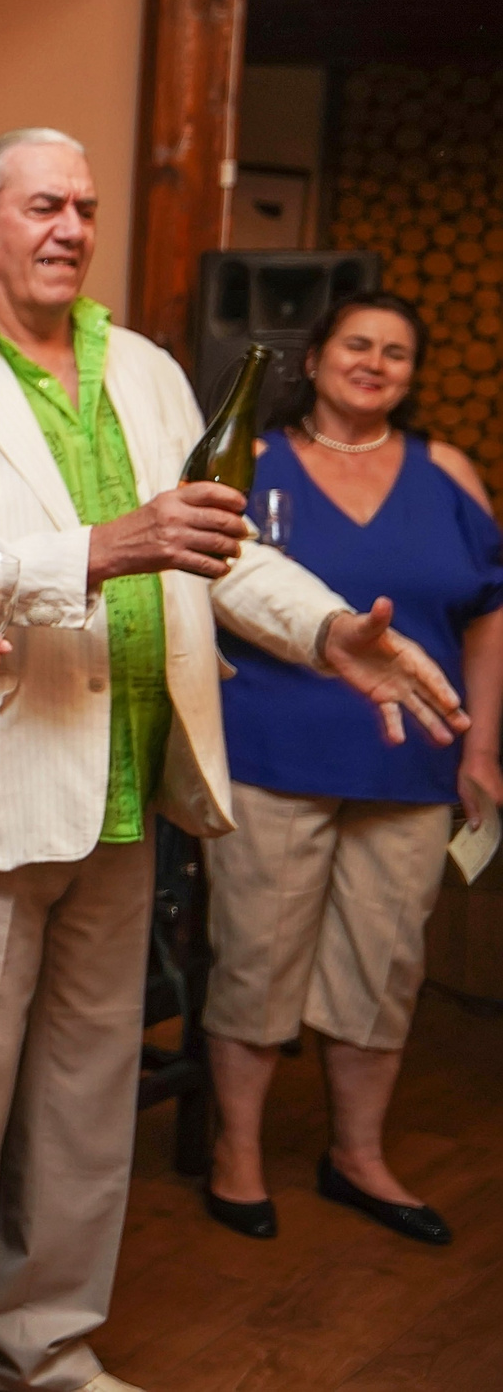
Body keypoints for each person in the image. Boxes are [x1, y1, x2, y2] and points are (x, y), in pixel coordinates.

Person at [0, 128, 466, 1392]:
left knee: (82, 1107)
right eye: (40, 206)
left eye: (83, 205)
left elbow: (216, 547)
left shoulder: (146, 370)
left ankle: (44, 1344)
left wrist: (331, 629)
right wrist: (92, 547)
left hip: (130, 789)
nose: (70, 226)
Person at [202, 291, 503, 1245]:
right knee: (258, 958)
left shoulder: (446, 470)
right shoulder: (256, 461)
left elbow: (490, 611)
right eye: (358, 344)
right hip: (271, 754)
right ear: (319, 355)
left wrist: (484, 747)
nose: (376, 363)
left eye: (399, 353)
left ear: (414, 375)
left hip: (415, 764)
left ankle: (358, 1156)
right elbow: (204, 592)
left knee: (384, 967)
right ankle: (237, 1156)